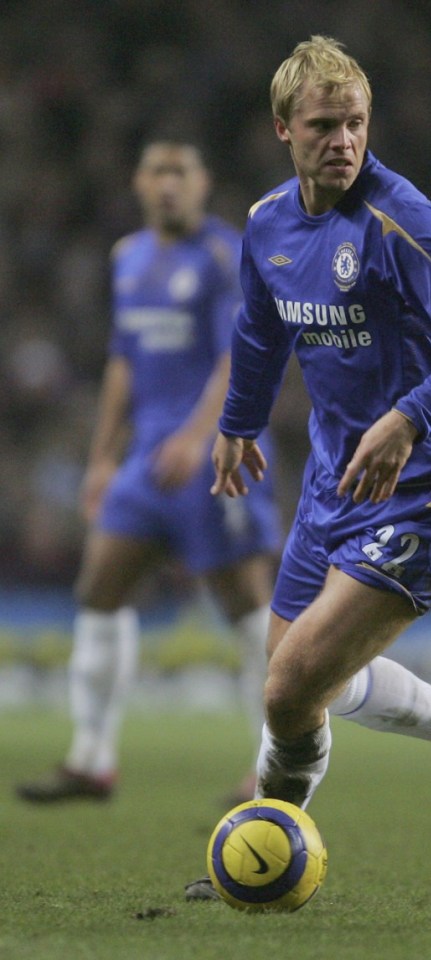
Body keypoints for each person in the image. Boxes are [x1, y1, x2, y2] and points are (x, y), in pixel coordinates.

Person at [185, 36, 431, 901]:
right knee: (296, 684)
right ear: (283, 129)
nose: (343, 141)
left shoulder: (397, 219)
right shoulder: (269, 223)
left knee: (291, 684)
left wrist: (410, 418)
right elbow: (263, 329)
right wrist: (237, 421)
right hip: (334, 486)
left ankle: (268, 842)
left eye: (355, 124)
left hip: (429, 490)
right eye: (323, 126)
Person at [16, 140, 282, 805]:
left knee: (247, 605)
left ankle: (273, 763)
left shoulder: (226, 256)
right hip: (145, 460)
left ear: (203, 182)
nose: (169, 185)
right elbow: (122, 365)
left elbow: (240, 356)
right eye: (158, 172)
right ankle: (91, 759)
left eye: (181, 173)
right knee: (99, 588)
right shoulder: (128, 258)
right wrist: (103, 458)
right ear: (139, 182)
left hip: (214, 454)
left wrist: (201, 437)